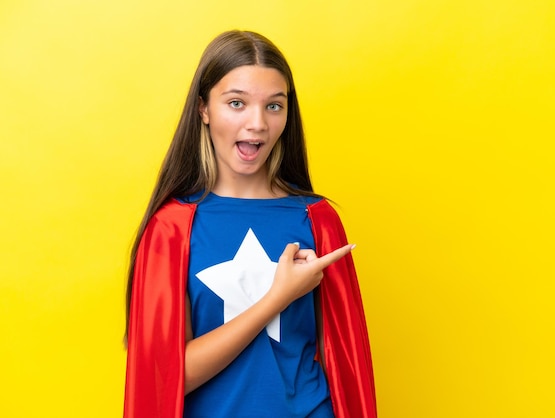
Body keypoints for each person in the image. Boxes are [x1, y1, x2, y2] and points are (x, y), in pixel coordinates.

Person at [123, 30, 376, 418]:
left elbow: (347, 362)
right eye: (237, 103)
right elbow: (168, 376)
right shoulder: (173, 227)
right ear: (204, 110)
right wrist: (277, 297)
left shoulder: (317, 219)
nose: (257, 123)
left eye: (274, 106)